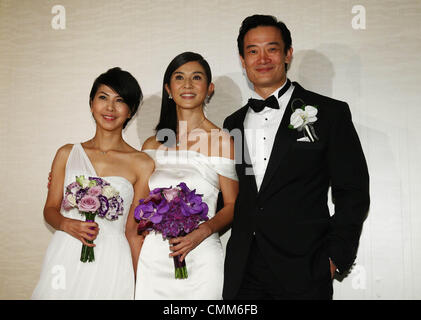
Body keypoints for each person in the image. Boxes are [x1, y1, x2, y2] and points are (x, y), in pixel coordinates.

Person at [222, 15, 370, 299]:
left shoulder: (329, 114)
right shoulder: (232, 124)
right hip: (243, 272)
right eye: (253, 51)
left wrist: (335, 257)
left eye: (272, 48)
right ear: (242, 60)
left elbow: (353, 190)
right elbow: (231, 195)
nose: (262, 58)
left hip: (305, 268)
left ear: (288, 53)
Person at [32, 67, 154, 299]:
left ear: (130, 111)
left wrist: (140, 282)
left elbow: (133, 230)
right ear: (91, 104)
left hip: (113, 259)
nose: (110, 108)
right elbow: (49, 210)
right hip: (66, 252)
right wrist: (67, 224)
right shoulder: (67, 153)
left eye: (120, 101)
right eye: (103, 97)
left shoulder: (142, 163)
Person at [134, 52, 239, 300]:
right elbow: (139, 206)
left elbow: (234, 205)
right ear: (168, 88)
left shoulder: (224, 141)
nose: (188, 85)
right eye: (179, 77)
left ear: (209, 88)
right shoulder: (151, 144)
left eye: (197, 77)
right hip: (154, 257)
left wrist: (201, 233)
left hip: (201, 254)